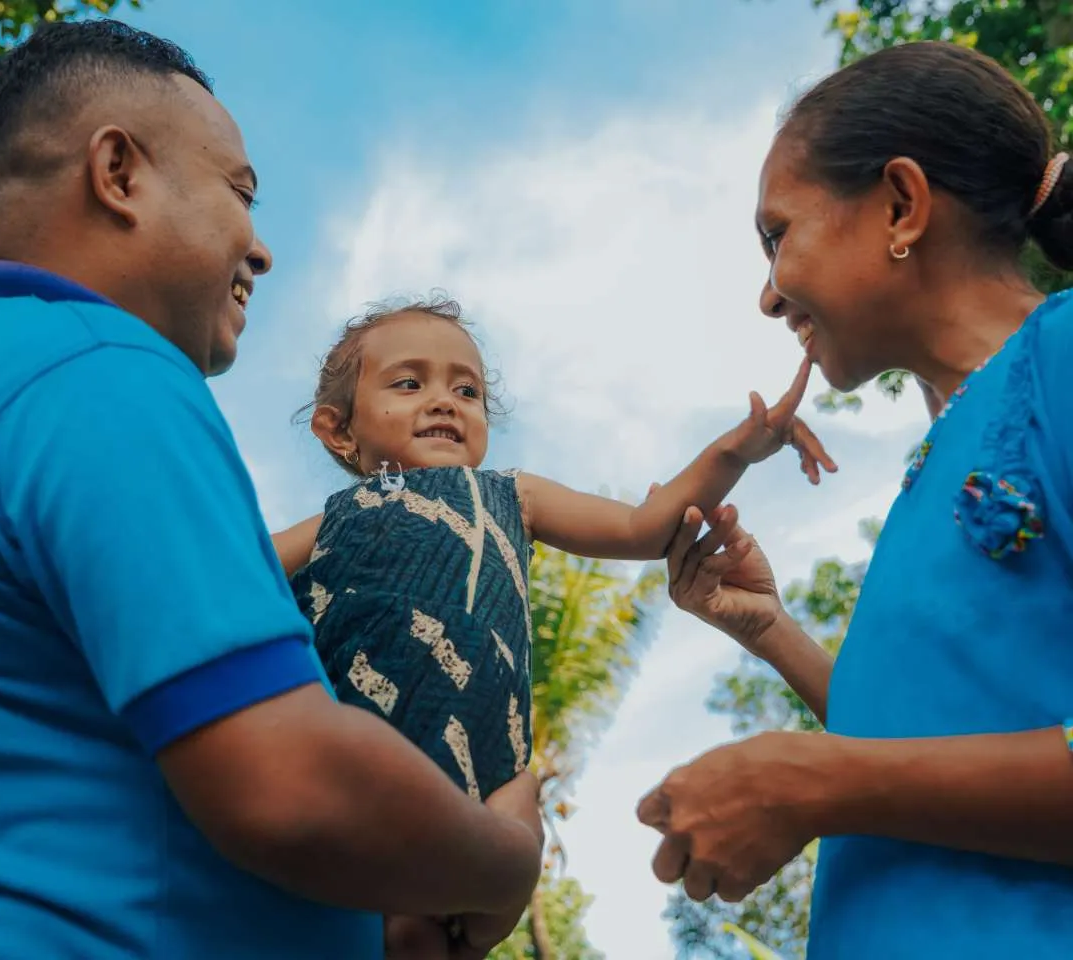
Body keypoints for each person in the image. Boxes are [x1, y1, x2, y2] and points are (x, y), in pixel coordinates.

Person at [0, 21, 548, 960]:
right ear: (119, 173)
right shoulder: (100, 370)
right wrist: (505, 860)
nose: (260, 249)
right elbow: (288, 789)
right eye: (240, 193)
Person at [635, 41, 1073, 960]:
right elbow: (936, 743)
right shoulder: (937, 459)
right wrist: (771, 633)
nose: (766, 294)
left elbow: (872, 777)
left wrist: (820, 785)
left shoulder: (1063, 359)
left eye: (776, 234)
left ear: (901, 206)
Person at [272, 297, 835, 950]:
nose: (445, 400)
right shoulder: (331, 520)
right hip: (359, 761)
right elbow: (236, 578)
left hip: (486, 782)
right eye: (409, 382)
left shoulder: (514, 494)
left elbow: (640, 528)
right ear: (339, 430)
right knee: (372, 918)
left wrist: (738, 448)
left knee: (448, 897)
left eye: (467, 389)